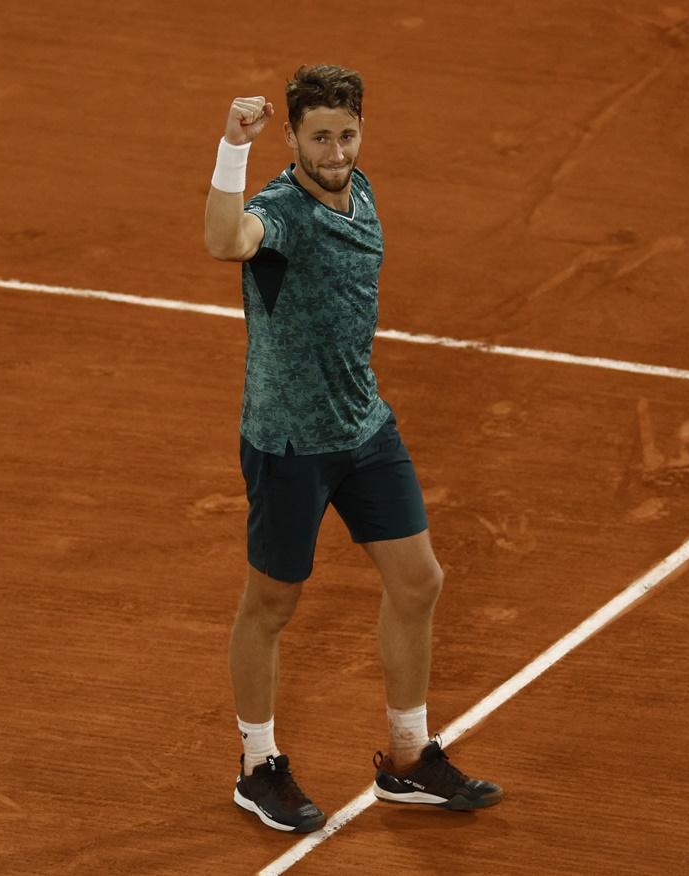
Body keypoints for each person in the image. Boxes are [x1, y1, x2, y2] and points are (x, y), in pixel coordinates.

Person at [203, 64, 503, 833]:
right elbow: (223, 239)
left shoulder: (359, 186)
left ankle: (408, 760)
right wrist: (231, 151)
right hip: (290, 444)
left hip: (364, 429)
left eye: (346, 134)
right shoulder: (280, 211)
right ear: (293, 138)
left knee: (419, 581)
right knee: (271, 605)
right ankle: (256, 766)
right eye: (319, 138)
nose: (335, 151)